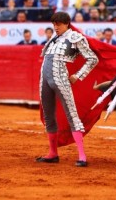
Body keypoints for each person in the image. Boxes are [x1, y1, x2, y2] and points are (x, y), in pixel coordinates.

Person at [36, 11, 99, 167]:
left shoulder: (75, 38)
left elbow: (93, 58)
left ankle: (82, 156)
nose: (55, 27)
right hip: (45, 81)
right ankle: (53, 153)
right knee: (49, 116)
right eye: (54, 24)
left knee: (72, 114)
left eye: (58, 24)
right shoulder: (53, 39)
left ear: (66, 24)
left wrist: (78, 75)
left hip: (61, 80)